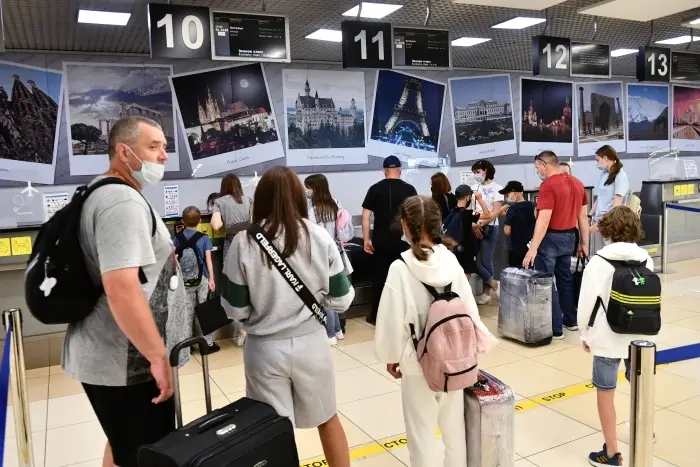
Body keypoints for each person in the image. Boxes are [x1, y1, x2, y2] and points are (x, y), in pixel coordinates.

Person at [62, 116, 191, 467]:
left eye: (164, 147)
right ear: (124, 151)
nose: (163, 155)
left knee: (124, 446)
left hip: (112, 354)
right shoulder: (122, 203)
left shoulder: (102, 190)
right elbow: (121, 288)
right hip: (126, 362)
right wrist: (157, 357)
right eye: (153, 147)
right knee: (146, 453)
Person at [221, 167, 354, 467]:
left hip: (264, 350)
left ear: (261, 198)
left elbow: (235, 309)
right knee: (328, 417)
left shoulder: (244, 242)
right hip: (312, 344)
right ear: (298, 196)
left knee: (272, 431)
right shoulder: (319, 236)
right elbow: (344, 298)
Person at [375, 195, 495, 467]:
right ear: (437, 223)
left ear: (405, 225)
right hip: (455, 360)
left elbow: (391, 321)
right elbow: (469, 310)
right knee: (454, 431)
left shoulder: (401, 268)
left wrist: (392, 356)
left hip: (418, 361)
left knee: (422, 435)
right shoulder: (450, 260)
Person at [577, 206, 655, 466]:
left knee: (605, 392)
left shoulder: (599, 262)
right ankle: (644, 431)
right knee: (641, 388)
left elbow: (586, 303)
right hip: (641, 338)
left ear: (608, 229)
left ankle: (612, 452)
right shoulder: (646, 259)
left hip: (607, 337)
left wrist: (585, 335)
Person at [523, 151, 589, 338]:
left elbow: (543, 220)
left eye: (537, 168)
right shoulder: (577, 183)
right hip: (569, 237)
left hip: (550, 239)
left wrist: (533, 249)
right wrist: (584, 243)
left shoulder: (548, 185)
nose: (538, 171)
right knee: (565, 278)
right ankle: (570, 319)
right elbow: (583, 216)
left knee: (545, 282)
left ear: (544, 165)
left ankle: (555, 328)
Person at [362, 155, 417, 325]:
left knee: (380, 278)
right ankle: (404, 315)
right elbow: (415, 215)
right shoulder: (409, 189)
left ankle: (377, 315)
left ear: (384, 172)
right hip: (404, 241)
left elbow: (366, 215)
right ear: (400, 170)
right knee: (405, 277)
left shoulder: (374, 189)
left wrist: (366, 239)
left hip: (381, 240)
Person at [304, 173, 345, 345]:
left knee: (324, 295)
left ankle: (330, 334)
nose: (306, 191)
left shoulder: (313, 210)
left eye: (308, 187)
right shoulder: (335, 203)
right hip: (337, 252)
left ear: (315, 188)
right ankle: (338, 329)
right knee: (333, 292)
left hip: (321, 255)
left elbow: (312, 233)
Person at [211, 173, 252, 346]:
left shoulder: (220, 202)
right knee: (251, 284)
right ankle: (251, 327)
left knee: (235, 285)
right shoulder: (248, 199)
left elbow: (216, 225)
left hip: (232, 243)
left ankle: (242, 329)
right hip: (250, 243)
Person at [174, 206, 218, 353]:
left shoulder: (177, 238)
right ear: (200, 220)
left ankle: (187, 346)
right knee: (204, 311)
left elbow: (173, 259)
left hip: (184, 282)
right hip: (202, 280)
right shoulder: (204, 238)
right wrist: (212, 278)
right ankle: (207, 344)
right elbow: (208, 260)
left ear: (182, 221)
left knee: (188, 313)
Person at [471, 159, 504, 305]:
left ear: (486, 170)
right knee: (473, 261)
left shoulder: (498, 188)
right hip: (474, 226)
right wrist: (475, 225)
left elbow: (496, 212)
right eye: (474, 173)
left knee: (486, 259)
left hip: (490, 227)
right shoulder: (473, 187)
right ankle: (493, 285)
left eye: (477, 172)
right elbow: (471, 210)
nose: (476, 175)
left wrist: (481, 224)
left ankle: (487, 292)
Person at [590, 145, 630, 256]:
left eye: (598, 160)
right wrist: (589, 215)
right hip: (599, 221)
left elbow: (616, 206)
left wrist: (601, 223)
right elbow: (599, 198)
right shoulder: (604, 175)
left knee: (611, 256)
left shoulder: (620, 176)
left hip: (610, 223)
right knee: (599, 255)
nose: (597, 163)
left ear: (606, 158)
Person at [445, 185, 490, 278]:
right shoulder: (469, 213)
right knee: (466, 275)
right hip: (465, 250)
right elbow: (487, 214)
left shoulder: (452, 211)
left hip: (454, 248)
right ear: (468, 197)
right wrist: (480, 199)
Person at [500, 181, 536, 268]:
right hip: (530, 246)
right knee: (529, 272)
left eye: (507, 195)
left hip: (515, 248)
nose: (506, 197)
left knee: (516, 276)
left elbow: (507, 231)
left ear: (515, 193)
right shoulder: (533, 206)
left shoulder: (511, 209)